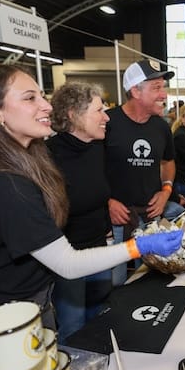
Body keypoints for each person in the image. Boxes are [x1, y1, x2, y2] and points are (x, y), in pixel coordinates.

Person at [0, 65, 182, 370]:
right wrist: (139, 246)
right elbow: (67, 264)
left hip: (26, 308)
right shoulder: (2, 182)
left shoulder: (29, 159)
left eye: (41, 96)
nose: (46, 106)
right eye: (30, 98)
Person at [104, 59, 185, 286]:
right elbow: (89, 170)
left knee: (149, 278)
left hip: (151, 218)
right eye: (156, 88)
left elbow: (168, 161)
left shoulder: (161, 127)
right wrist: (107, 202)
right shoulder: (107, 123)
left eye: (163, 87)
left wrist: (166, 190)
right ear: (135, 91)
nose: (164, 95)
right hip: (116, 220)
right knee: (115, 282)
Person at [45, 82, 114, 344]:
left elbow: (97, 192)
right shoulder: (48, 156)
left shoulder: (96, 148)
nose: (106, 117)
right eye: (99, 110)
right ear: (73, 114)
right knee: (73, 328)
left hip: (98, 250)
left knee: (98, 318)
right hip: (68, 259)